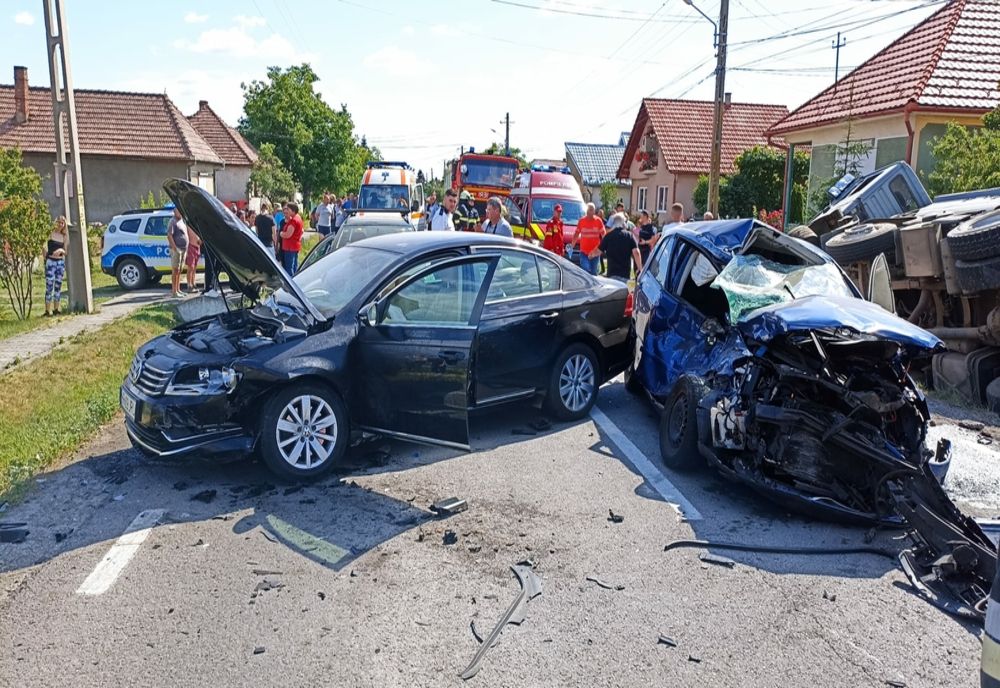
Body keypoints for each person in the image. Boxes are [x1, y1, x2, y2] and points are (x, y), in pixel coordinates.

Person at [597, 213, 642, 283]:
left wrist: (590, 255)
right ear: (623, 223)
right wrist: (640, 268)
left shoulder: (608, 236)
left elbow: (598, 251)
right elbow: (636, 252)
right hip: (625, 274)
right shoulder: (629, 236)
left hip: (611, 273)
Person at [43, 216, 68, 316]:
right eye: (59, 222)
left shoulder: (64, 236)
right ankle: (47, 310)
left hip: (60, 262)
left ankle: (56, 309)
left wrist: (61, 250)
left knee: (58, 286)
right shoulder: (51, 233)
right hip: (51, 262)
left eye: (62, 223)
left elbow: (66, 251)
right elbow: (43, 244)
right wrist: (45, 255)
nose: (60, 225)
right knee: (49, 286)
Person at [573, 203, 605, 276]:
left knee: (594, 273)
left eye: (592, 210)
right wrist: (572, 246)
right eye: (589, 210)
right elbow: (576, 234)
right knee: (585, 270)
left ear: (594, 211)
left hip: (595, 252)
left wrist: (603, 247)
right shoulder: (581, 221)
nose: (590, 212)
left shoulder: (598, 221)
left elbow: (603, 235)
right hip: (584, 252)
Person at [167, 207, 188, 298]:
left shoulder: (182, 221)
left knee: (179, 270)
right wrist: (175, 248)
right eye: (178, 211)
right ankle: (174, 292)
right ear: (175, 211)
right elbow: (169, 235)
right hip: (177, 249)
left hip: (183, 249)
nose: (180, 212)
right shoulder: (173, 221)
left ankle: (178, 289)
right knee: (175, 270)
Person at [279, 202, 304, 273]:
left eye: (288, 209)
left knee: (289, 267)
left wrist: (281, 233)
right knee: (294, 265)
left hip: (290, 247)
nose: (286, 211)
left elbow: (288, 234)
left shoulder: (294, 220)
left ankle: (290, 279)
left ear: (293, 210)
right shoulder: (297, 217)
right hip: (294, 246)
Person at [185, 222, 202, 292]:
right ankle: (189, 285)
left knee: (194, 267)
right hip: (190, 246)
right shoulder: (188, 225)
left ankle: (193, 283)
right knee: (190, 267)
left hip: (197, 247)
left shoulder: (196, 225)